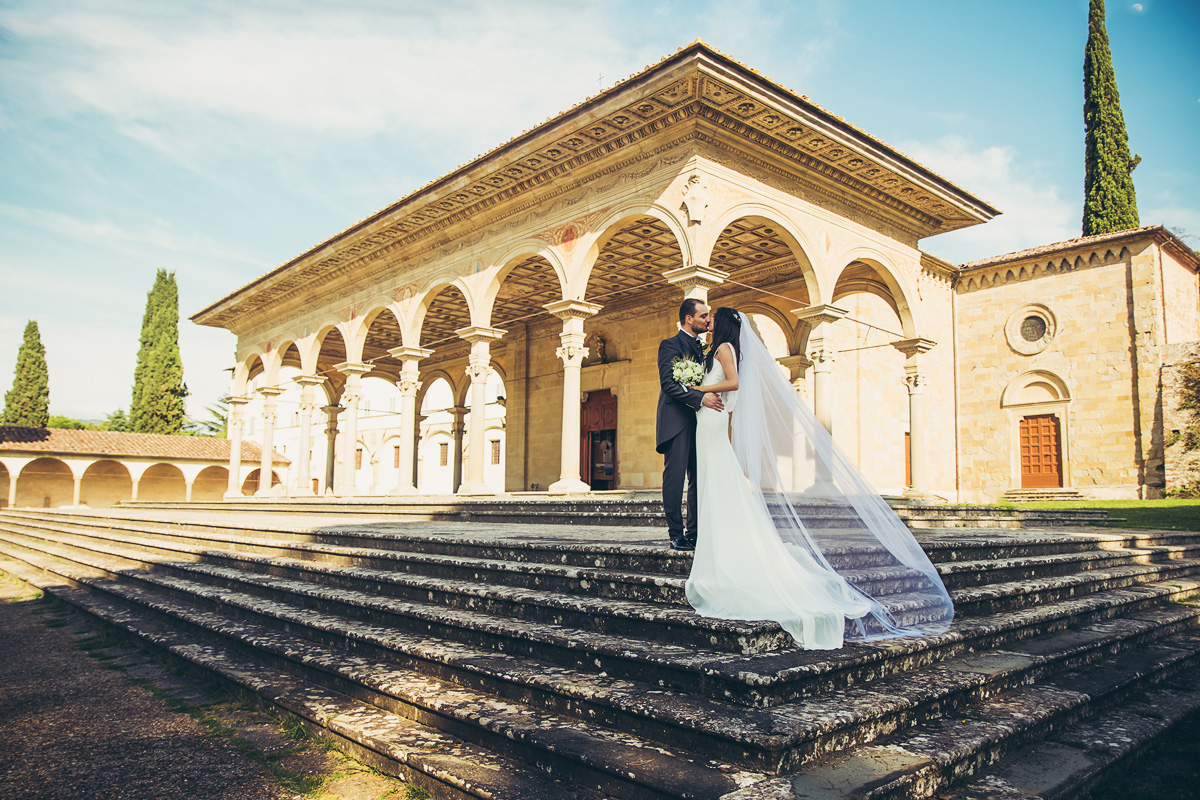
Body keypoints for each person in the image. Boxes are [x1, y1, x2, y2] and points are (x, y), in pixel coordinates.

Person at [684, 307, 955, 649]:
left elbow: (733, 382)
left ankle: (723, 551)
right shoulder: (720, 348)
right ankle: (716, 542)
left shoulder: (724, 349)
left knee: (719, 485)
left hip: (711, 424)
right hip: (709, 424)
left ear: (720, 324)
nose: (707, 321)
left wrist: (697, 387)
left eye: (711, 318)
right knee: (715, 486)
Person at [656, 299, 723, 551]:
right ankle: (676, 533)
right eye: (703, 316)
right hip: (677, 421)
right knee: (675, 478)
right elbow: (669, 385)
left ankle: (694, 533)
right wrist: (700, 397)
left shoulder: (705, 349)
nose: (707, 320)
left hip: (701, 422)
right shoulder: (670, 345)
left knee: (699, 477)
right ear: (689, 319)